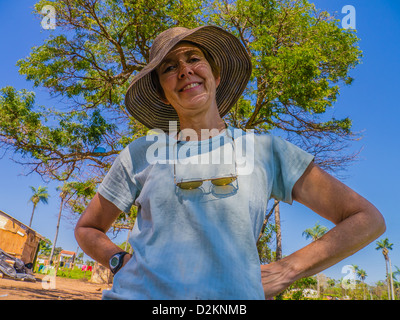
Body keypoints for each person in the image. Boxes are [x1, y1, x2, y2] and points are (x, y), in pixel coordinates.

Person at [74, 26, 385, 300]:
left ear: (216, 76)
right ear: (164, 94)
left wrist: (289, 268)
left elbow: (365, 218)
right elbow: (88, 227)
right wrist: (118, 261)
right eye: (169, 67)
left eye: (193, 58)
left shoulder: (265, 149)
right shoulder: (141, 152)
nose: (184, 70)